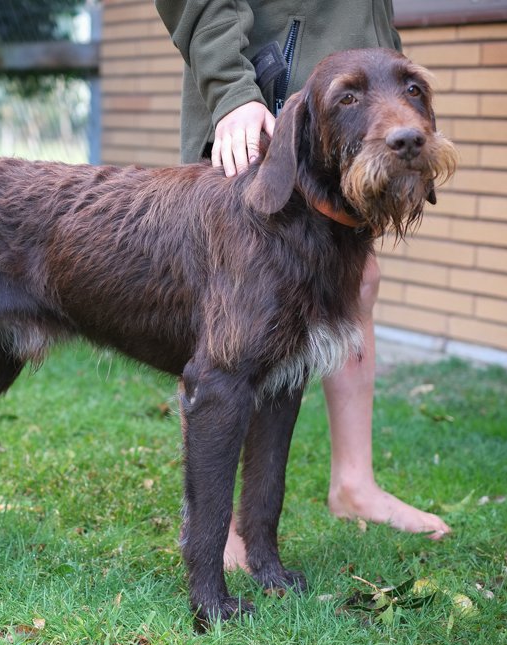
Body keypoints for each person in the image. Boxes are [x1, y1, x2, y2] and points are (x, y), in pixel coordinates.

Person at [155, 0, 451, 569]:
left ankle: (354, 483)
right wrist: (231, 89)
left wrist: (394, 69)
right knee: (240, 325)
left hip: (358, 70)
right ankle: (222, 532)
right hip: (265, 85)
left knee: (355, 280)